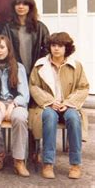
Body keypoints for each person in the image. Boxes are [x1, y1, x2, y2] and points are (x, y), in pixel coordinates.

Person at [29, 32, 89, 180]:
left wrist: (68, 103)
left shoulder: (76, 66)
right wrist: (49, 101)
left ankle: (75, 164)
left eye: (60, 46)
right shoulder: (40, 65)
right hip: (48, 105)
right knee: (49, 117)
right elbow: (34, 86)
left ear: (66, 48)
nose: (56, 49)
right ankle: (48, 163)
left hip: (68, 105)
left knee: (74, 118)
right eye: (53, 45)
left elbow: (83, 87)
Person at [0, 35, 30, 177]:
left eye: (2, 47)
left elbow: (24, 95)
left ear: (8, 49)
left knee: (20, 118)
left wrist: (12, 105)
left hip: (16, 103)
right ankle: (0, 153)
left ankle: (19, 160)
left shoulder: (18, 67)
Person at [3, 0, 50, 76]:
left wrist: (39, 64)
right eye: (18, 4)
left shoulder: (40, 27)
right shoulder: (7, 28)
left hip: (36, 70)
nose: (21, 7)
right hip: (15, 71)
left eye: (25, 4)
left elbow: (48, 47)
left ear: (30, 7)